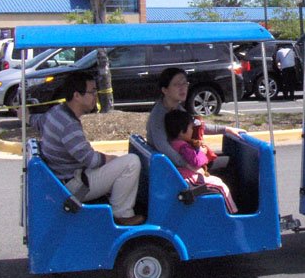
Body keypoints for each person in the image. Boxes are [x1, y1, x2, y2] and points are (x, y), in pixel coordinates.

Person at [24, 71, 144, 226]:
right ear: (77, 96)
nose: (96, 96)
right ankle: (121, 214)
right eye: (92, 92)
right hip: (74, 186)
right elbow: (92, 160)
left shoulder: (56, 112)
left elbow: (37, 121)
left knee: (118, 163)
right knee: (131, 162)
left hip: (65, 178)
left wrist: (25, 116)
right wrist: (112, 159)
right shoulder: (69, 125)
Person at [146, 67, 243, 172]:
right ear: (165, 90)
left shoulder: (177, 108)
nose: (183, 88)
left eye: (184, 83)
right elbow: (163, 146)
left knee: (226, 160)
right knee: (229, 164)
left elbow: (196, 126)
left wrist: (226, 129)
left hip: (182, 160)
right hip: (171, 168)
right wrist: (187, 165)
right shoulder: (158, 115)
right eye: (177, 84)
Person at [164, 109, 238, 213]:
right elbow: (196, 161)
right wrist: (202, 151)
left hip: (186, 177)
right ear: (181, 131)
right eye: (190, 128)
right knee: (221, 186)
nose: (192, 130)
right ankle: (232, 213)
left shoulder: (174, 143)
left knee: (217, 181)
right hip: (189, 180)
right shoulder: (183, 146)